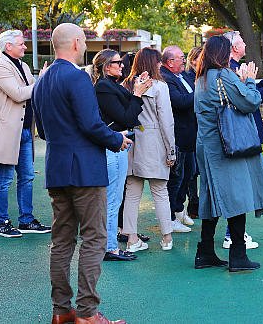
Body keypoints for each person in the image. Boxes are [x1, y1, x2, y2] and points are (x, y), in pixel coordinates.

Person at [32, 23, 130, 324]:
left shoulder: (42, 80)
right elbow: (91, 124)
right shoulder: (77, 77)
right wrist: (116, 139)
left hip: (57, 168)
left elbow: (43, 131)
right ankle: (88, 313)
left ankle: (61, 311)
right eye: (84, 40)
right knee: (95, 238)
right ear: (76, 42)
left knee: (62, 241)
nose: (85, 45)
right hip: (85, 170)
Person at [193, 35, 263, 272]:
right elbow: (250, 101)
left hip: (207, 145)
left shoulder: (202, 77)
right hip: (226, 146)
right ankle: (238, 255)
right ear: (223, 53)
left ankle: (205, 252)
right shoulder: (223, 75)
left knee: (210, 197)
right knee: (236, 196)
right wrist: (250, 81)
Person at [0, 29, 51, 238]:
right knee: (5, 178)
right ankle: (1, 222)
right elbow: (18, 93)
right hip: (8, 131)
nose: (25, 46)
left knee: (27, 177)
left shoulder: (22, 65)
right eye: (21, 43)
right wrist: (40, 81)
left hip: (24, 130)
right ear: (8, 46)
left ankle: (26, 220)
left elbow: (33, 91)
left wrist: (39, 83)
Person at [224, 30, 263, 249]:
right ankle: (233, 235)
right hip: (240, 138)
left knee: (242, 186)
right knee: (241, 187)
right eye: (241, 42)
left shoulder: (232, 69)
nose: (245, 45)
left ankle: (234, 233)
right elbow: (251, 100)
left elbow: (252, 93)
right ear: (233, 47)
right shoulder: (230, 71)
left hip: (241, 136)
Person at [90, 49, 151, 261]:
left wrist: (137, 88)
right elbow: (127, 117)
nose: (123, 65)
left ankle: (110, 244)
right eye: (118, 62)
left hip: (118, 145)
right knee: (112, 199)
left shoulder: (112, 85)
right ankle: (110, 248)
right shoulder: (103, 87)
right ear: (107, 67)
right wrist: (137, 94)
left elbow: (128, 110)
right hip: (113, 148)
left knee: (114, 198)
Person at [122, 48, 176, 252]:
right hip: (154, 142)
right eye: (159, 62)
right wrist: (171, 151)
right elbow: (166, 121)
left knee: (132, 193)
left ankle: (131, 238)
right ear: (154, 64)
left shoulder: (127, 85)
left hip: (131, 141)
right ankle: (167, 237)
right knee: (160, 191)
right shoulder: (160, 87)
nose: (161, 65)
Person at [160, 45, 196, 234]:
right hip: (177, 136)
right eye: (181, 57)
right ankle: (170, 218)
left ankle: (179, 209)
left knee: (189, 173)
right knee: (176, 178)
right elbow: (180, 102)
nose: (184, 60)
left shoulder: (183, 75)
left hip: (189, 135)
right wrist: (200, 92)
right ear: (170, 62)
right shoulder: (166, 78)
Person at [184, 46, 202, 219]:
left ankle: (198, 202)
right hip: (191, 127)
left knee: (198, 167)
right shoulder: (188, 77)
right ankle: (193, 203)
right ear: (193, 60)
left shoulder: (204, 76)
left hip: (201, 127)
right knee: (192, 170)